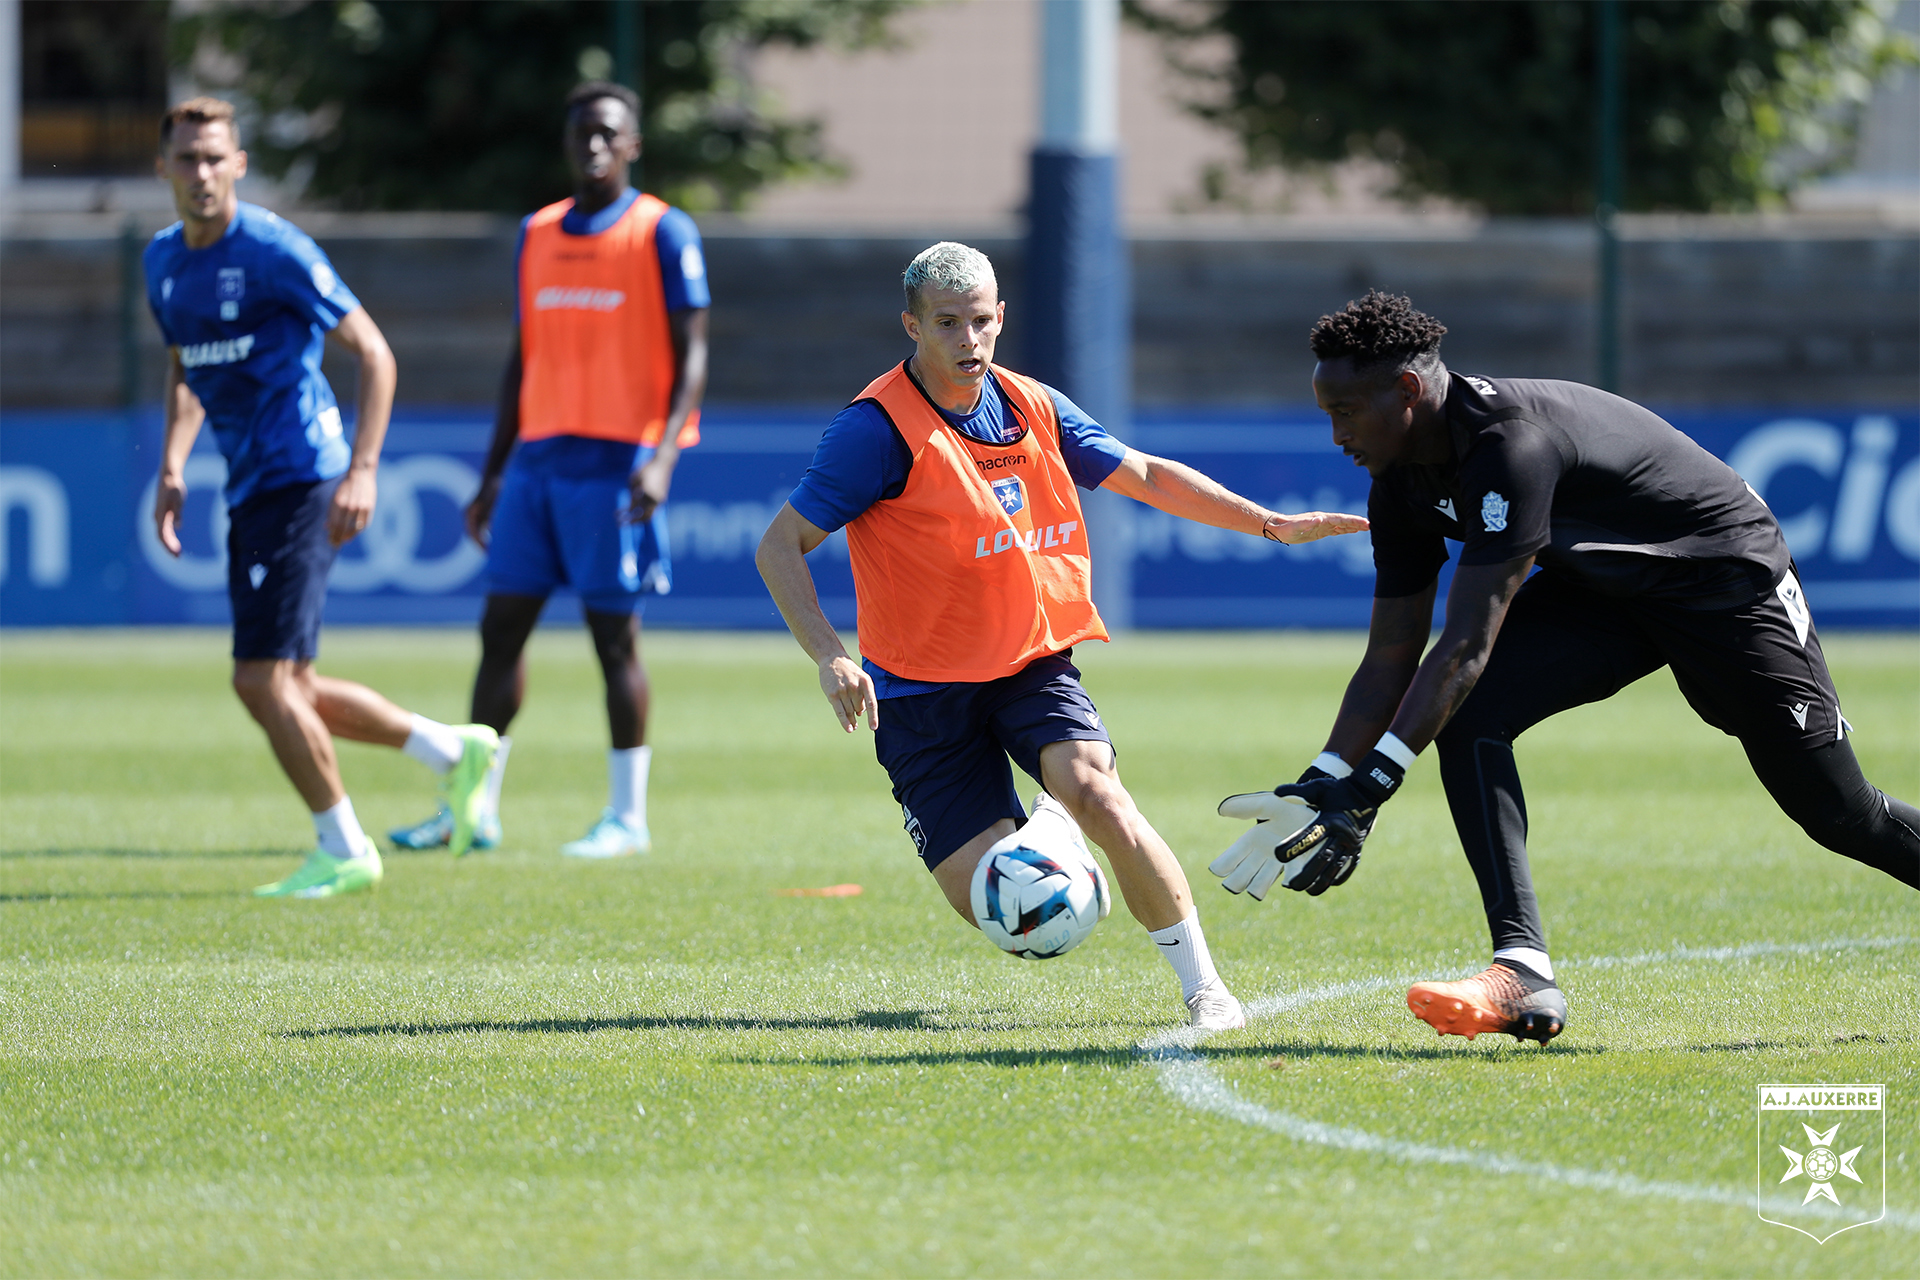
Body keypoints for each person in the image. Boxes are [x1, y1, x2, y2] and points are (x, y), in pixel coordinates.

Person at [1216, 290, 1919, 1043]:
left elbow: (1465, 643)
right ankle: (1522, 970)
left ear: (1409, 391)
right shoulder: (1399, 483)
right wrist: (1328, 777)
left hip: (1724, 579)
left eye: (1347, 411)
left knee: (1841, 815)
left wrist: (1374, 784)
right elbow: (1391, 653)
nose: (1337, 435)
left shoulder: (1510, 446)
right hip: (1610, 591)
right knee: (1473, 716)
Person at [756, 242, 1368, 1028]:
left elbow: (1141, 473)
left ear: (1001, 317)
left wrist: (1269, 524)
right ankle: (1060, 842)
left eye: (981, 321)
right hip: (919, 694)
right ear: (911, 325)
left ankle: (1205, 990)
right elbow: (779, 545)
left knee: (1096, 793)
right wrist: (831, 656)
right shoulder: (874, 432)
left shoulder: (1031, 405)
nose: (968, 341)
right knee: (1000, 911)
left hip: (1029, 662)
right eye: (947, 323)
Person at [146, 97, 499, 898]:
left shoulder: (273, 249)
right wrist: (172, 462)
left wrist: (364, 469)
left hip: (302, 474)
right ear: (162, 168)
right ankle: (452, 753)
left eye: (214, 158)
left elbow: (375, 352)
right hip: (249, 483)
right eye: (186, 159)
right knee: (290, 684)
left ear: (238, 164)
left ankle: (344, 847)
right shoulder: (162, 263)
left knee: (258, 682)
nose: (200, 173)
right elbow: (186, 365)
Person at [387, 81, 708, 859]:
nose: (593, 146)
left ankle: (627, 819)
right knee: (500, 632)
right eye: (581, 134)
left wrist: (664, 456)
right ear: (568, 143)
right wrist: (494, 472)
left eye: (608, 134)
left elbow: (694, 351)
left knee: (613, 640)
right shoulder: (536, 233)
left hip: (617, 461)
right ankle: (474, 810)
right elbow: (521, 359)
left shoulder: (663, 231)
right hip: (536, 464)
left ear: (632, 145)